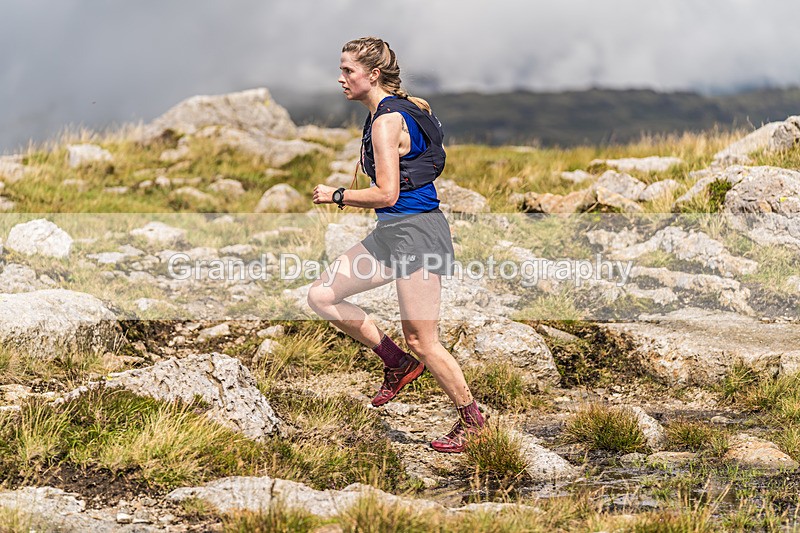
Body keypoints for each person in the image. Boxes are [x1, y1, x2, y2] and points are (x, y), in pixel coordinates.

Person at [308, 37, 485, 453]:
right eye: (341, 69)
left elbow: (387, 193)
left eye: (348, 70)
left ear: (372, 74)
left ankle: (473, 419)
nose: (341, 78)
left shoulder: (388, 121)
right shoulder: (402, 109)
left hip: (418, 234)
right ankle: (397, 363)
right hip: (393, 233)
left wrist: (337, 195)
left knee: (424, 339)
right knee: (322, 295)